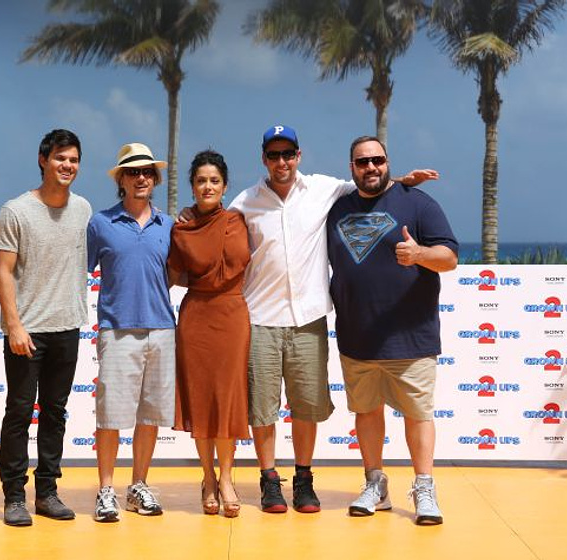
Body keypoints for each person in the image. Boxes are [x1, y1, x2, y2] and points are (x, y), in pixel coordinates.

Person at [225, 124, 438, 514]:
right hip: (260, 319)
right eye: (273, 155)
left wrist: (405, 180)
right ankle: (270, 480)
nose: (282, 161)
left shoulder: (325, 189)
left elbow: (372, 183)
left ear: (299, 156)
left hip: (308, 319)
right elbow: (216, 226)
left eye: (288, 153)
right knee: (263, 409)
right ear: (264, 160)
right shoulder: (245, 201)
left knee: (306, 407)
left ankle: (303, 479)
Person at [327, 136, 458, 525]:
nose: (371, 168)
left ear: (388, 162)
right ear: (351, 168)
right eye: (362, 162)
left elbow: (449, 257)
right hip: (356, 336)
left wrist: (419, 254)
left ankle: (424, 487)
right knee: (366, 414)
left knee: (418, 415)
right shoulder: (337, 208)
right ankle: (375, 484)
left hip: (410, 337)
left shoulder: (419, 204)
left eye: (378, 160)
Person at [0, 129, 91, 527]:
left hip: (67, 327)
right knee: (19, 412)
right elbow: (3, 269)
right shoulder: (15, 211)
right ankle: (13, 497)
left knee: (55, 412)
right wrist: (14, 325)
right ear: (42, 160)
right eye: (60, 158)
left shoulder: (83, 209)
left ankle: (46, 493)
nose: (67, 165)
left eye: (73, 159)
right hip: (27, 331)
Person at [87, 143, 176, 522]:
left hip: (162, 329)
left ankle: (138, 486)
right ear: (121, 180)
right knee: (110, 417)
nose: (141, 177)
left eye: (147, 172)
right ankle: (105, 490)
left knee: (150, 416)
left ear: (154, 179)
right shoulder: (100, 223)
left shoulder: (169, 225)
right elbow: (78, 269)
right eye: (132, 171)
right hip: (117, 330)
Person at [168, 150, 251, 518]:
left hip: (232, 316)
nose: (208, 186)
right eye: (201, 180)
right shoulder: (181, 227)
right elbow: (174, 274)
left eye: (214, 181)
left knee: (227, 398)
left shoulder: (238, 220)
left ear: (225, 185)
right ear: (192, 186)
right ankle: (207, 478)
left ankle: (228, 477)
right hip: (196, 317)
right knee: (201, 400)